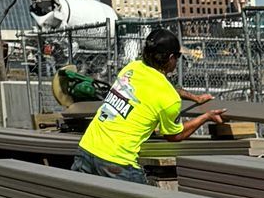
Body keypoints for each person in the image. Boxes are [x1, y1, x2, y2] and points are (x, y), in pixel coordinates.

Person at [73, 27, 224, 181]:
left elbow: (161, 89)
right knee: (145, 197)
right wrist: (206, 117)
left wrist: (195, 98)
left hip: (86, 149)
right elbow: (175, 135)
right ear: (171, 58)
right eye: (177, 57)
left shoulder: (131, 68)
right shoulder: (169, 98)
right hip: (117, 162)